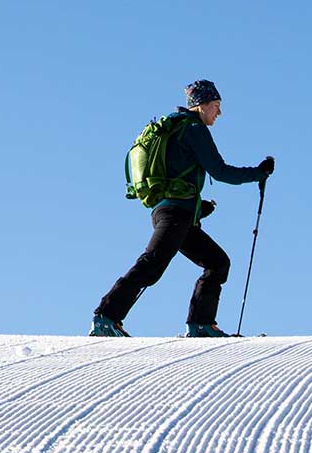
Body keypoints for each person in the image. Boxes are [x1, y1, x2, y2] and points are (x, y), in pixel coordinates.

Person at [91, 80, 274, 337]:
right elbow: (219, 171)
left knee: (217, 262)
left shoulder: (175, 128)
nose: (219, 113)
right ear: (202, 105)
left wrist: (198, 209)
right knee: (152, 264)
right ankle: (105, 317)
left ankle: (200, 324)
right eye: (216, 106)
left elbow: (176, 179)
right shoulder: (193, 129)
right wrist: (258, 173)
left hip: (174, 212)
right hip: (177, 213)